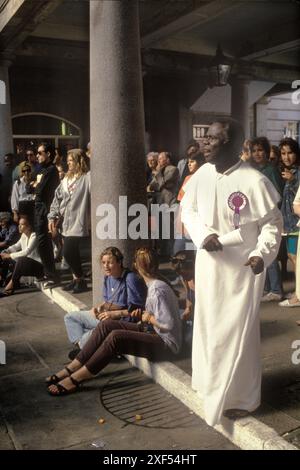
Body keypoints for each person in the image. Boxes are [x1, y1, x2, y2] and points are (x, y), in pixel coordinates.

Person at [181, 119, 283, 426]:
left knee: (237, 331)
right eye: (207, 138)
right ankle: (209, 385)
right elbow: (189, 210)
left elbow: (272, 224)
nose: (206, 143)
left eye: (215, 140)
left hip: (241, 269)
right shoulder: (200, 174)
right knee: (208, 327)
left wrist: (260, 254)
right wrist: (201, 235)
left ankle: (242, 398)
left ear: (234, 145)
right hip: (209, 263)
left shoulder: (254, 180)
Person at [46, 247, 182, 396]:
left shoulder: (156, 289)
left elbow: (168, 325)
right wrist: (144, 317)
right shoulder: (155, 285)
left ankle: (76, 378)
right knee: (107, 325)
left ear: (136, 266)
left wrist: (148, 318)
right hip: (151, 331)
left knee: (115, 337)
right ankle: (72, 367)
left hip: (165, 344)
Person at [64, 246, 147, 359]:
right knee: (70, 317)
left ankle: (86, 347)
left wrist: (115, 314)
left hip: (121, 322)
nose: (106, 266)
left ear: (119, 262)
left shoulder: (130, 278)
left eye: (110, 262)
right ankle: (86, 347)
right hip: (105, 317)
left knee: (88, 336)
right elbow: (109, 301)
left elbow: (139, 311)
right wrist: (98, 308)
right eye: (103, 263)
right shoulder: (108, 278)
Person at [48, 148, 90, 293]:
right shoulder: (66, 179)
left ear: (79, 161)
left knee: (68, 252)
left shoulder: (87, 178)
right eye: (68, 161)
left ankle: (81, 280)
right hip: (65, 221)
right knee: (72, 252)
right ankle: (76, 280)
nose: (69, 164)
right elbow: (57, 198)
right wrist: (52, 216)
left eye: (71, 161)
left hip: (78, 220)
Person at [250, 137, 284, 302]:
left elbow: (279, 194)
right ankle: (268, 288)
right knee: (262, 251)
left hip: (269, 216)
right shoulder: (256, 170)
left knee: (270, 253)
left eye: (260, 150)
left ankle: (276, 289)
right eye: (254, 150)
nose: (257, 154)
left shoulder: (270, 170)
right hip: (258, 216)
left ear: (266, 151)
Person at [28, 142, 60, 287]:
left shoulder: (52, 170)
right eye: (37, 152)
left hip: (45, 211)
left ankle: (52, 276)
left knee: (44, 243)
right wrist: (34, 185)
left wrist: (35, 186)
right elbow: (29, 186)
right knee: (41, 244)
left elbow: (40, 190)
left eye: (40, 153)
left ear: (48, 154)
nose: (37, 155)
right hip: (38, 210)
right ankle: (47, 273)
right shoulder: (40, 170)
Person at [278, 138, 300, 307]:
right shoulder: (286, 170)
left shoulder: (297, 173)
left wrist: (292, 181)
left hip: (296, 224)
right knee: (293, 259)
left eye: (290, 153)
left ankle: (298, 296)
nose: (286, 157)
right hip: (288, 224)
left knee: (295, 260)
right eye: (283, 153)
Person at [0, 216, 43, 297]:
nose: (19, 226)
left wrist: (9, 255)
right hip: (28, 265)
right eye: (19, 224)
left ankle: (10, 287)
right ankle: (2, 279)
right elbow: (16, 246)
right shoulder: (24, 235)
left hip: (39, 268)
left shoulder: (34, 236)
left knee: (21, 260)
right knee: (6, 257)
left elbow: (26, 252)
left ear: (29, 227)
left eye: (22, 224)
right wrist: (6, 251)